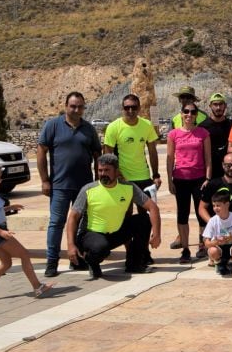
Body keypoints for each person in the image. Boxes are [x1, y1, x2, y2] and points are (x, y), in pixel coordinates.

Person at [37, 91, 101, 277]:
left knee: (82, 225)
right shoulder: (52, 126)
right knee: (56, 223)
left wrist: (98, 181)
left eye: (80, 106)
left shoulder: (88, 129)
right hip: (59, 186)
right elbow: (41, 152)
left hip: (84, 187)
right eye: (73, 106)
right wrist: (44, 180)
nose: (76, 109)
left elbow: (97, 155)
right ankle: (52, 262)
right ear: (66, 106)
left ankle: (78, 259)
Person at [66, 154, 162, 279]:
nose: (102, 174)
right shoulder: (88, 190)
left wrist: (156, 234)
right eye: (100, 170)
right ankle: (91, 261)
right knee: (101, 247)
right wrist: (70, 245)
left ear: (116, 171)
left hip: (115, 232)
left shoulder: (128, 187)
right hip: (91, 234)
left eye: (107, 170)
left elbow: (153, 207)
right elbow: (73, 217)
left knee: (143, 220)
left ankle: (135, 263)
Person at [0, 164, 52, 300]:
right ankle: (37, 286)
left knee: (6, 263)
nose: (0, 180)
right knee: (24, 254)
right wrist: (1, 232)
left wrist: (10, 208)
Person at [167, 103, 211, 264]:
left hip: (199, 179)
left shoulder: (203, 133)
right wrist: (170, 179)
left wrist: (207, 178)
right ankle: (185, 248)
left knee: (201, 213)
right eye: (186, 112)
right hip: (180, 178)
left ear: (196, 115)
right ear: (181, 114)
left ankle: (202, 245)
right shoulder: (173, 134)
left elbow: (208, 157)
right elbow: (170, 158)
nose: (189, 115)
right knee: (182, 214)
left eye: (193, 112)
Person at [103, 93, 161, 197]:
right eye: (127, 107)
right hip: (122, 178)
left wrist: (156, 175)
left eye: (134, 107)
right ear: (122, 109)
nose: (130, 111)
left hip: (143, 176)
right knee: (126, 212)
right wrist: (116, 174)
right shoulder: (113, 127)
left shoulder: (147, 125)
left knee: (148, 211)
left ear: (139, 108)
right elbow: (107, 155)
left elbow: (153, 152)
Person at [203, 190, 232, 277]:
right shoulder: (212, 220)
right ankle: (219, 263)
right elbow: (206, 243)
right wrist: (216, 242)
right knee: (212, 250)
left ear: (227, 204)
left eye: (218, 205)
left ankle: (231, 262)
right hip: (219, 247)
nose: (215, 208)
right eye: (214, 206)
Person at [202, 93, 232, 179]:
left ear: (225, 106)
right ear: (210, 106)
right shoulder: (203, 127)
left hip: (230, 173)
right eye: (215, 104)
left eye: (221, 104)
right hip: (210, 173)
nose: (218, 108)